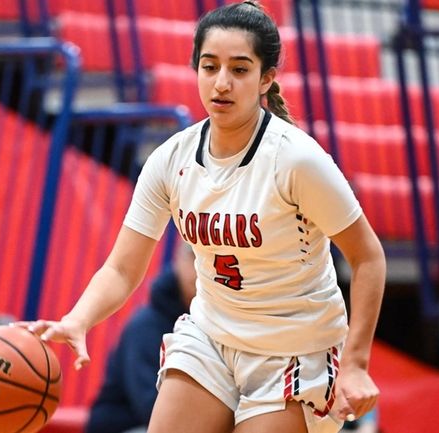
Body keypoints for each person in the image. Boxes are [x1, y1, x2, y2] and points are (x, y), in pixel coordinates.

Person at [21, 3, 386, 433]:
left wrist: (357, 363)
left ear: (266, 78)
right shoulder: (171, 160)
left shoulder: (296, 160)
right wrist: (77, 319)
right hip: (212, 335)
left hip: (294, 351)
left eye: (240, 69)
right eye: (210, 66)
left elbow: (369, 258)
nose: (222, 83)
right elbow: (122, 268)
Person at [86, 244, 197, 433]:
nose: (197, 270)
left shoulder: (215, 326)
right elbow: (149, 407)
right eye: (192, 258)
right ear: (177, 261)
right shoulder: (146, 325)